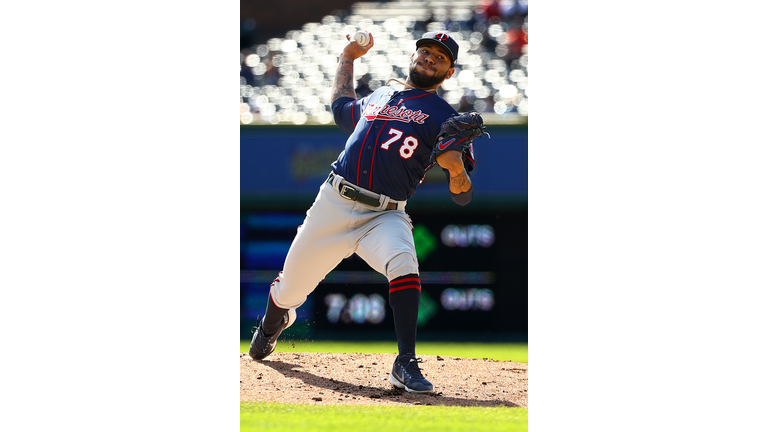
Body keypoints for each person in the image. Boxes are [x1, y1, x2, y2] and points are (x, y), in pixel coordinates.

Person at [248, 31, 475, 394]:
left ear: (449, 73)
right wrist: (348, 57)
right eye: (426, 50)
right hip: (334, 203)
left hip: (385, 214)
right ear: (415, 55)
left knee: (404, 262)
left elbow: (462, 196)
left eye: (440, 57)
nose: (430, 57)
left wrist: (455, 168)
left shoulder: (446, 118)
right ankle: (272, 324)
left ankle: (405, 362)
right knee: (289, 290)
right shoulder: (382, 94)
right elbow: (341, 109)